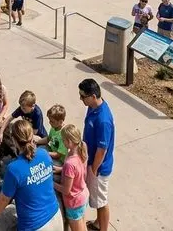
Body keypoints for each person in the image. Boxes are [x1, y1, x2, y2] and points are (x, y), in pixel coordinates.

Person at [0, 119, 62, 230]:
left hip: (35, 225)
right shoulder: (44, 154)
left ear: (14, 140)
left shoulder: (14, 168)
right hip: (56, 216)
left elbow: (4, 199)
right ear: (32, 136)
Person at [79, 78, 114, 231]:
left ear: (93, 96)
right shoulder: (92, 107)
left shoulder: (103, 119)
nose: (81, 99)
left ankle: (103, 228)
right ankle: (99, 223)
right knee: (98, 200)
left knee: (101, 202)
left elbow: (102, 149)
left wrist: (93, 169)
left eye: (83, 96)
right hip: (91, 162)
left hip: (99, 168)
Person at [54, 124, 89, 231]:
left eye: (63, 140)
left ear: (69, 142)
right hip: (83, 195)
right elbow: (78, 171)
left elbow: (66, 190)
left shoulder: (70, 163)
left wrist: (51, 183)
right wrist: (61, 169)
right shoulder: (82, 149)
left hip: (74, 203)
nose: (62, 142)